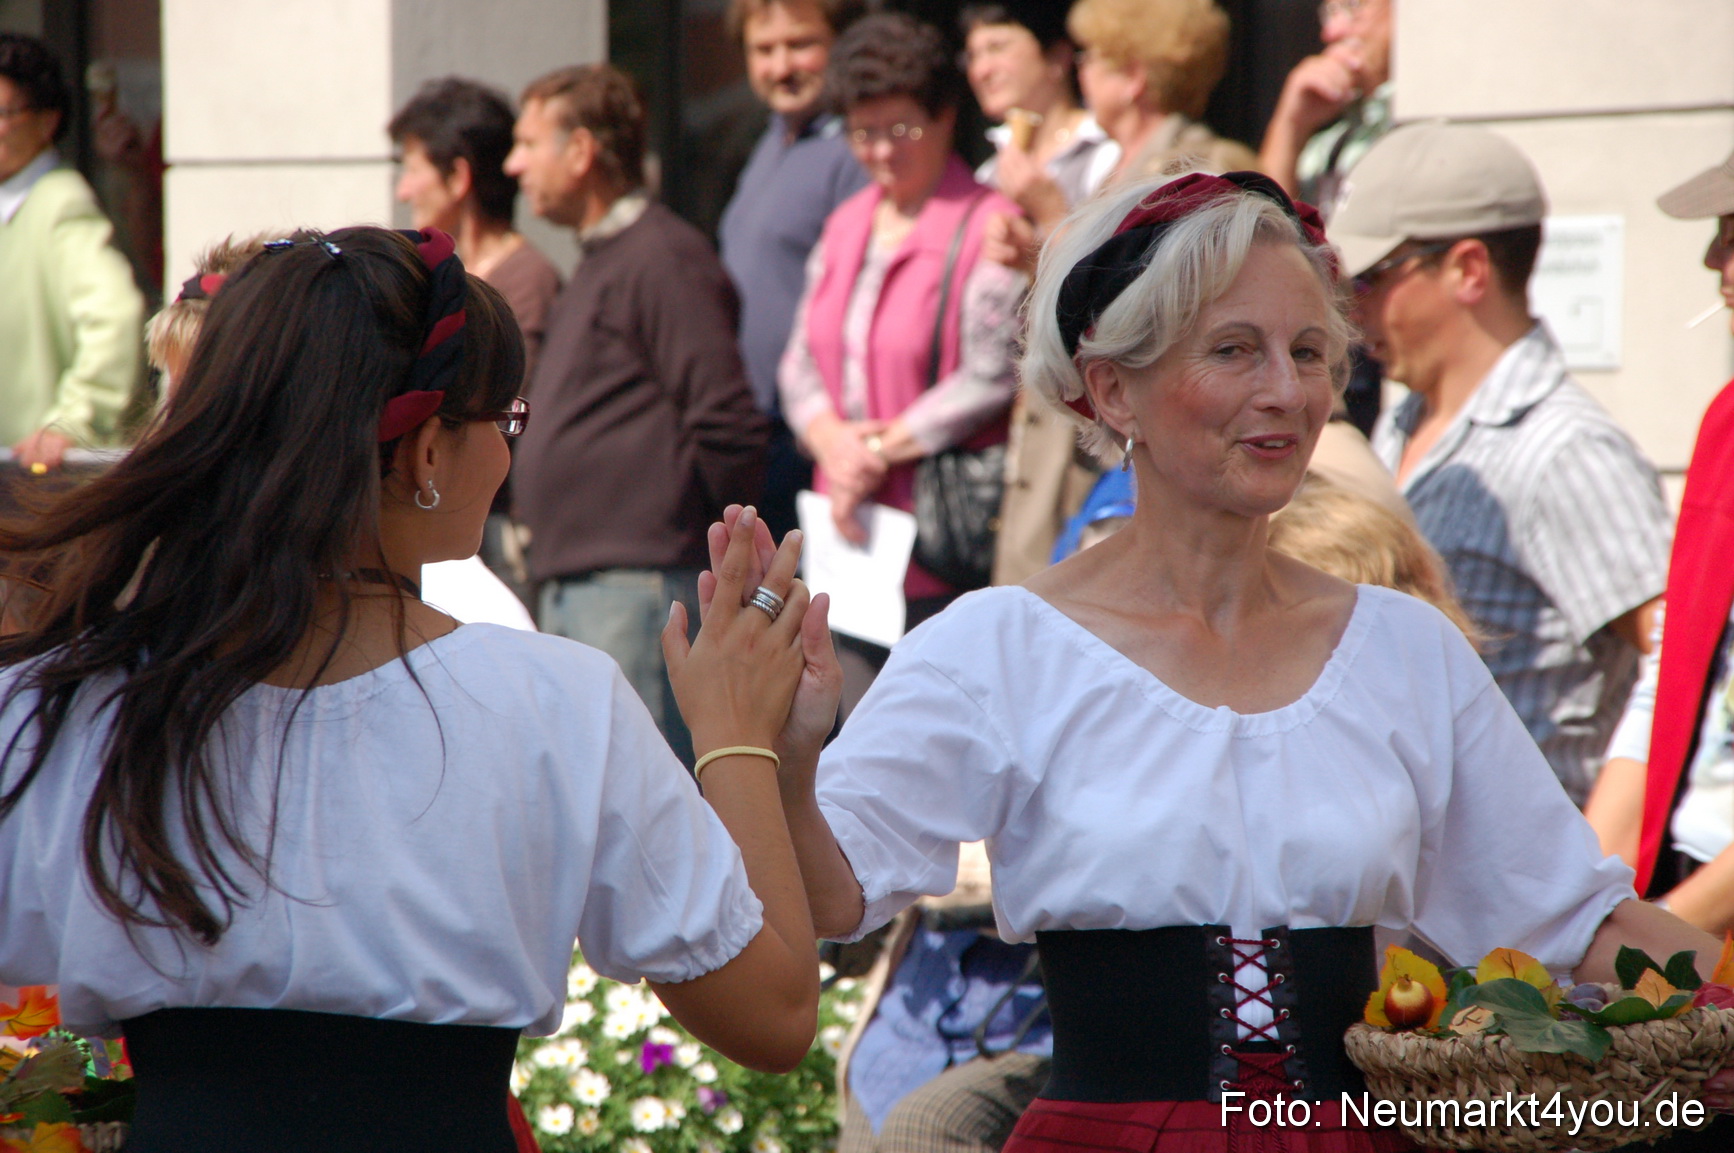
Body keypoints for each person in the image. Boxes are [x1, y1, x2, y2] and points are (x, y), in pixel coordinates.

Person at [718, 169, 1734, 1152]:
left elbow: (1577, 920)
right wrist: (788, 756)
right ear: (1113, 390)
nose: (1286, 391)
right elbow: (836, 896)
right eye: (1235, 350)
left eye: (1308, 351)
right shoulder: (996, 648)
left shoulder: (1405, 649)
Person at [0, 225, 821, 1153]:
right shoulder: (552, 703)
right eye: (505, 421)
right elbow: (775, 1013)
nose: (508, 455)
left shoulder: (67, 700)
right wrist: (736, 732)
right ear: (428, 451)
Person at [1334, 122, 1671, 807]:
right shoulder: (1404, 421)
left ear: (1468, 270)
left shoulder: (1565, 451)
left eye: (1371, 278)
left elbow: (1678, 664)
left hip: (1526, 859)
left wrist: (1604, 851)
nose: (1352, 306)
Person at [505, 63, 769, 764]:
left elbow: (727, 423)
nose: (513, 164)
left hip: (637, 587)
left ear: (581, 151)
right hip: (593, 586)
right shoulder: (607, 260)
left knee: (639, 796)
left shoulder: (662, 257)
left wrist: (703, 554)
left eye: (527, 144)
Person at [778, 12, 1024, 706]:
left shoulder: (992, 224)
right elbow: (798, 361)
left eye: (902, 130)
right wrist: (832, 442)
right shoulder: (845, 223)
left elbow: (991, 372)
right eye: (864, 133)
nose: (883, 152)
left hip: (937, 551)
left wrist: (878, 449)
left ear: (946, 116)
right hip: (846, 545)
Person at [146, 233, 536, 633]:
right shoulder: (167, 592)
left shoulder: (468, 604)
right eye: (185, 410)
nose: (198, 435)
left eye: (231, 406)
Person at [1586, 148, 1734, 927]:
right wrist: (1584, 896)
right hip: (1687, 872)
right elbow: (1674, 664)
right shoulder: (1725, 422)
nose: (1714, 258)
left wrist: (1662, 934)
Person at [955, 1, 1118, 586]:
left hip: (1078, 428)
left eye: (998, 47)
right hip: (1004, 431)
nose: (982, 68)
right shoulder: (988, 172)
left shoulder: (1108, 157)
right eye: (973, 54)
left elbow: (1112, 288)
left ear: (1056, 58)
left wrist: (1050, 214)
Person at [719, 0, 869, 545]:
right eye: (764, 49)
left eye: (800, 44)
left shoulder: (858, 151)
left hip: (815, 438)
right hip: (759, 430)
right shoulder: (768, 142)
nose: (781, 66)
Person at [0, 32, 144, 473]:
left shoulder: (60, 200)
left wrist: (73, 422)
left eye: (3, 113)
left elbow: (115, 316)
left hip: (36, 483)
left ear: (48, 122)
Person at [389, 78, 561, 385]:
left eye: (413, 170)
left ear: (458, 177)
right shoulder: (451, 275)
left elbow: (510, 400)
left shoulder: (528, 285)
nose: (402, 192)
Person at [1065, 0, 1256, 187]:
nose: (1082, 73)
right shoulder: (1115, 167)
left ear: (1133, 77)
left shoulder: (1195, 168)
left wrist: (1055, 206)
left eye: (1088, 57)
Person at [1258, 0, 1394, 217]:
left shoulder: (1434, 116)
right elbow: (1265, 223)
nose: (1330, 32)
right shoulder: (1331, 139)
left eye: (1353, 5)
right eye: (1330, 13)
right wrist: (1291, 127)